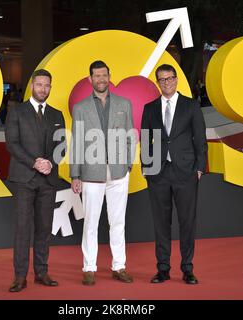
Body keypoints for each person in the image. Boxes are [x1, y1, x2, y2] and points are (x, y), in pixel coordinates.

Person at [70, 60, 136, 286]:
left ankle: (119, 266)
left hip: (119, 173)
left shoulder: (124, 104)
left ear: (110, 76)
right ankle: (89, 268)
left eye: (104, 75)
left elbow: (130, 136)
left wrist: (128, 164)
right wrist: (75, 175)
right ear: (90, 79)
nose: (101, 79)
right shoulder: (80, 108)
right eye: (97, 76)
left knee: (118, 222)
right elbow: (77, 142)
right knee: (91, 223)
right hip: (90, 173)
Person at [140, 64, 207, 285]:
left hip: (186, 172)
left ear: (176, 80)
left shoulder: (191, 106)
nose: (166, 83)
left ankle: (187, 268)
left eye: (169, 79)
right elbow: (146, 140)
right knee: (161, 223)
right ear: (157, 83)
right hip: (158, 173)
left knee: (187, 221)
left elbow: (200, 140)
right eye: (162, 80)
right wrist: (146, 167)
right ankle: (163, 268)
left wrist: (199, 168)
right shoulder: (150, 108)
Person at [5, 69, 66, 292]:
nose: (43, 89)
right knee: (23, 229)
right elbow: (11, 144)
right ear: (32, 85)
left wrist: (49, 162)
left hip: (48, 180)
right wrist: (35, 162)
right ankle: (20, 276)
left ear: (51, 87)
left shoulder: (56, 114)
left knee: (44, 228)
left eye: (47, 85)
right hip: (24, 178)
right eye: (39, 85)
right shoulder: (17, 111)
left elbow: (62, 147)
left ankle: (41, 272)